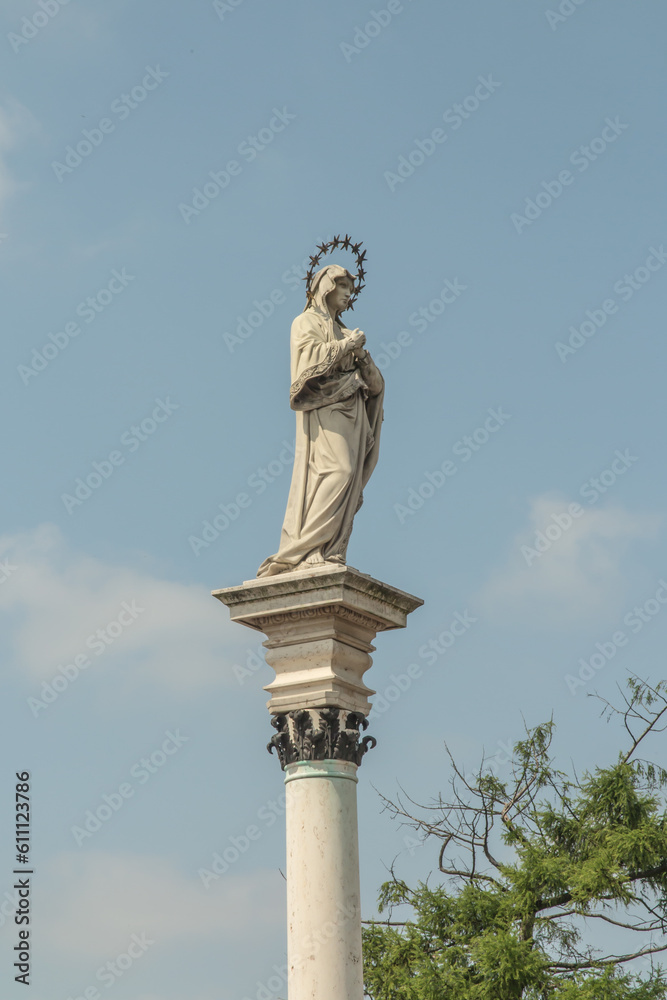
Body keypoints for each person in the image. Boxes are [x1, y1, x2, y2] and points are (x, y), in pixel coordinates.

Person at [257, 263, 384, 577]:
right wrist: (346, 347)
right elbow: (308, 360)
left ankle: (331, 550)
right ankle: (308, 549)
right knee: (337, 472)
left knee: (351, 479)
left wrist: (363, 358)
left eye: (351, 291)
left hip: (354, 413)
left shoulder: (345, 331)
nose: (347, 296)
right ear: (327, 286)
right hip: (326, 407)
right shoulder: (305, 322)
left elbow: (378, 386)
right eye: (343, 288)